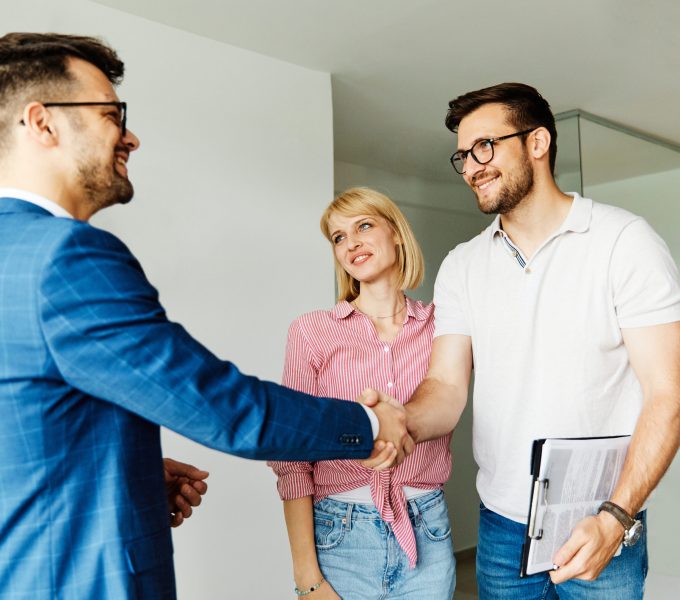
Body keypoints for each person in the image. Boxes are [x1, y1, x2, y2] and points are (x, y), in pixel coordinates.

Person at [0, 32, 411, 599]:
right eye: (110, 115)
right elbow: (224, 406)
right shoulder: (67, 257)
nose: (131, 136)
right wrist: (368, 426)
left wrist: (129, 476)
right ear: (42, 123)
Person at [401, 83, 680, 599]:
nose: (471, 167)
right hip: (502, 525)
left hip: (602, 521)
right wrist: (403, 421)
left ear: (538, 143)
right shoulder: (463, 265)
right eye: (462, 155)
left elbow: (669, 395)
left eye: (485, 146)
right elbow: (445, 385)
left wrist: (616, 518)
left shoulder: (624, 242)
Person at [270, 188, 455, 599]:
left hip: (427, 528)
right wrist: (307, 578)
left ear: (397, 235)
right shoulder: (311, 332)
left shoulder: (442, 327)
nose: (350, 242)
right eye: (338, 237)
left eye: (364, 226)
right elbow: (291, 456)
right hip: (341, 535)